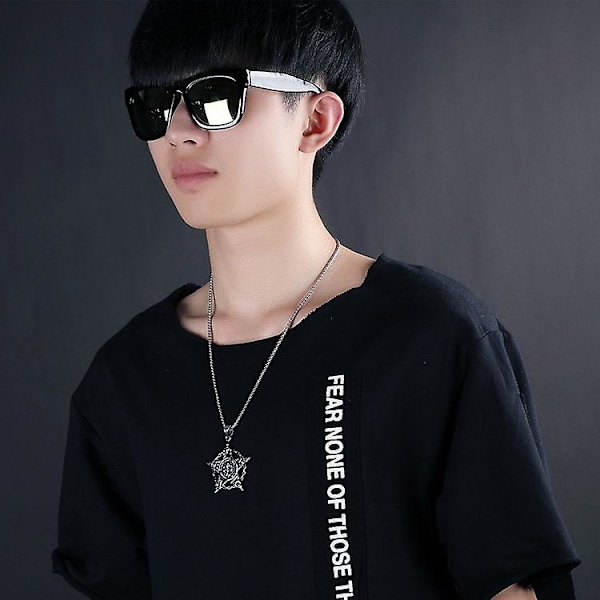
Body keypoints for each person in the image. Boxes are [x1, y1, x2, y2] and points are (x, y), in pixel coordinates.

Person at [51, 1, 580, 599]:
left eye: (215, 97)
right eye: (154, 105)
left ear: (315, 119)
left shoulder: (430, 336)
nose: (178, 132)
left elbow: (513, 587)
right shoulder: (125, 379)